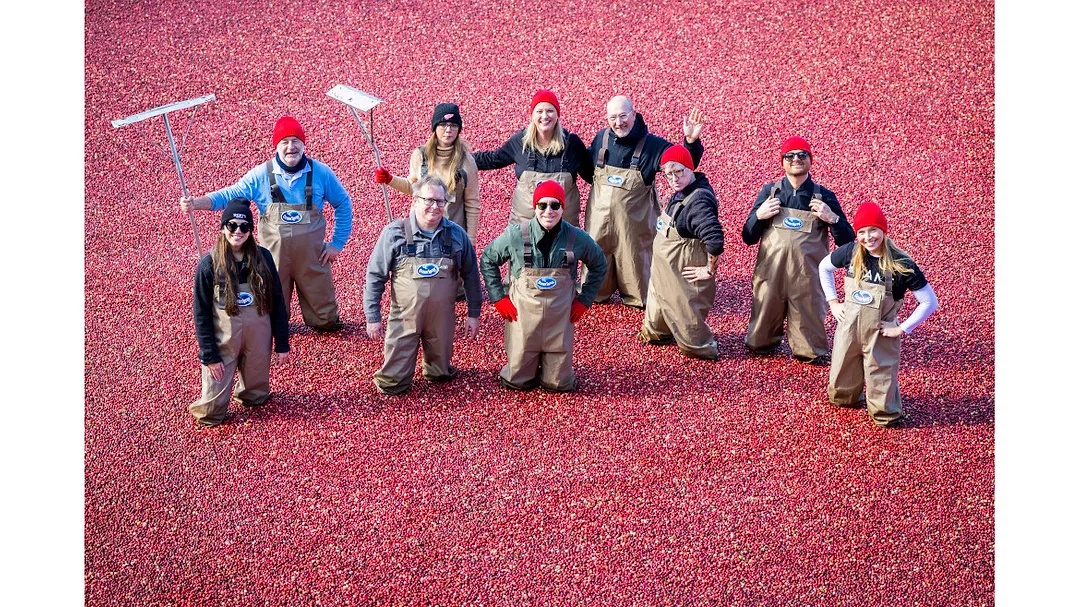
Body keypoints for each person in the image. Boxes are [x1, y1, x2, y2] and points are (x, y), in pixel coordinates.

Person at [181, 116, 353, 332]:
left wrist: (337, 243)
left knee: (325, 320)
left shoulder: (321, 172)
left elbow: (343, 204)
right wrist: (197, 203)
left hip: (312, 257)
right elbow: (231, 194)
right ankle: (278, 325)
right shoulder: (261, 175)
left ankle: (323, 319)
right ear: (276, 146)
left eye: (296, 141)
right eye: (285, 142)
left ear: (303, 144)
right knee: (272, 318)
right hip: (274, 260)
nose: (291, 147)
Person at [817, 202, 939, 428]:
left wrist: (901, 328)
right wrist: (833, 302)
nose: (868, 237)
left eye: (873, 230)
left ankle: (884, 412)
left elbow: (929, 302)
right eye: (861, 232)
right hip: (849, 328)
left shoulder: (902, 264)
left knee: (881, 380)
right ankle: (848, 399)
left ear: (884, 230)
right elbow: (824, 268)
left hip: (881, 333)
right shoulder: (851, 252)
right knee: (841, 383)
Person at [480, 180, 607, 392]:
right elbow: (488, 259)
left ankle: (552, 372)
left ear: (563, 207)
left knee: (559, 384)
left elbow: (599, 265)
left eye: (555, 205)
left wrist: (584, 300)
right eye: (542, 205)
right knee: (517, 380)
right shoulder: (515, 235)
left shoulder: (577, 238)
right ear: (535, 207)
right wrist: (498, 298)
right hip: (522, 319)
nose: (548, 211)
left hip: (560, 320)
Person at [364, 175, 483, 395]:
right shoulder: (394, 233)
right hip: (404, 316)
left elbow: (472, 276)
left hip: (442, 317)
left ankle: (435, 367)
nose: (434, 206)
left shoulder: (457, 235)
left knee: (440, 373)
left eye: (440, 201)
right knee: (393, 382)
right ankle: (395, 377)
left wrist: (473, 313)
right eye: (428, 200)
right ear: (415, 200)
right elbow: (375, 276)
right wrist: (373, 317)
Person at [584, 95, 705, 309]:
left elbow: (684, 164)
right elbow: (588, 173)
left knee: (636, 271)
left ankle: (635, 295)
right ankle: (598, 290)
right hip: (599, 225)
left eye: (623, 116)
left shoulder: (652, 145)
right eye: (613, 117)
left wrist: (691, 143)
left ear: (634, 114)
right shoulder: (601, 138)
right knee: (595, 269)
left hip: (634, 229)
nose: (618, 122)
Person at [742, 136, 854, 364]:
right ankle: (764, 342)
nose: (796, 159)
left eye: (802, 155)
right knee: (759, 338)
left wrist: (832, 218)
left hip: (807, 276)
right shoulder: (769, 193)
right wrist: (759, 216)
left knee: (810, 348)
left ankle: (807, 349)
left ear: (810, 160)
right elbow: (748, 237)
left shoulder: (824, 196)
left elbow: (849, 243)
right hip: (770, 273)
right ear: (782, 161)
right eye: (789, 156)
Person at [190, 199, 290, 427]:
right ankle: (213, 403)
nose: (238, 231)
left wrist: (282, 344)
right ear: (222, 227)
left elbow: (277, 301)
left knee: (257, 397)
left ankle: (249, 394)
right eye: (232, 225)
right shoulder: (209, 264)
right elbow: (201, 313)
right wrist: (209, 356)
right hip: (224, 340)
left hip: (258, 336)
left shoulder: (263, 258)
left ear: (251, 230)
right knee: (211, 412)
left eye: (245, 227)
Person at [636, 145, 725, 360]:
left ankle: (702, 348)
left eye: (679, 171)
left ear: (690, 169)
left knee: (686, 312)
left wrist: (709, 270)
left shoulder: (698, 201)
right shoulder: (683, 191)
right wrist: (691, 141)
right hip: (664, 270)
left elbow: (715, 239)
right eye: (668, 174)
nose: (674, 178)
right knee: (658, 307)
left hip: (681, 271)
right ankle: (659, 333)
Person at [473, 89, 593, 227]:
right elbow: (493, 159)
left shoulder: (572, 144)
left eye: (550, 110)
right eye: (539, 111)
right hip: (524, 231)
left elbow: (592, 176)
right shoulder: (521, 142)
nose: (544, 116)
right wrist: (460, 158)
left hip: (565, 232)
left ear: (557, 114)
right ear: (532, 115)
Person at [374, 102, 481, 243]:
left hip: (451, 238)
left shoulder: (466, 161)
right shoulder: (421, 155)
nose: (448, 130)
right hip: (419, 234)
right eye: (443, 124)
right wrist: (389, 179)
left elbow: (472, 204)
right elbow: (413, 187)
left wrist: (470, 241)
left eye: (453, 125)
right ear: (435, 127)